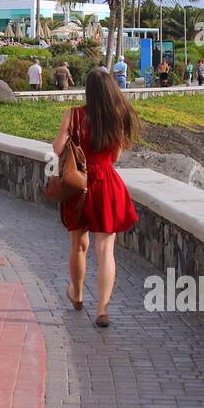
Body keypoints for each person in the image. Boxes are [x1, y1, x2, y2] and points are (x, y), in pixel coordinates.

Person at [52, 68, 140, 329]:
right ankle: (102, 309)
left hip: (79, 185)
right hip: (107, 185)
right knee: (106, 250)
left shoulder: (74, 114)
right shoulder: (119, 116)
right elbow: (115, 158)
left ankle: (77, 295)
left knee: (79, 245)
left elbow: (58, 149)